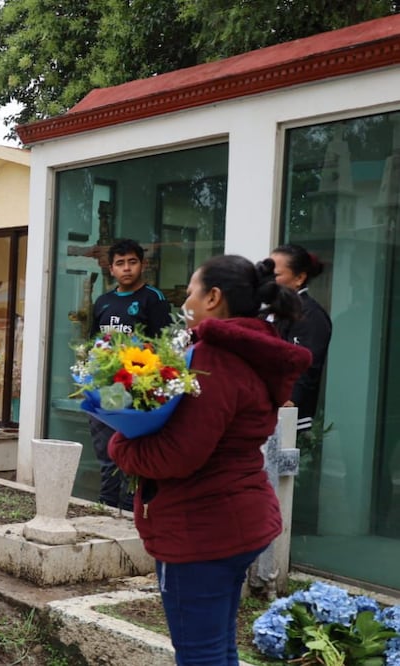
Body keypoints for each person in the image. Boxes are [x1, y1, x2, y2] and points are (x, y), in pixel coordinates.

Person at [109, 255, 311, 665]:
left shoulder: (214, 359)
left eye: (190, 295)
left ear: (213, 298)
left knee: (201, 655)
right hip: (235, 517)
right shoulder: (251, 352)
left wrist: (121, 447)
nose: (186, 304)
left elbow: (180, 454)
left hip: (202, 528)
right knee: (219, 647)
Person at [87, 239, 172, 508]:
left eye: (132, 262)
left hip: (139, 391)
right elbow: (93, 345)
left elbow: (165, 348)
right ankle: (107, 503)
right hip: (108, 389)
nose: (127, 269)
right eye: (120, 263)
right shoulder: (103, 302)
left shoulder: (153, 299)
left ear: (142, 265)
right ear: (111, 269)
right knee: (106, 448)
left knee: (132, 448)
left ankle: (130, 505)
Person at [270, 244, 332, 433]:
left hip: (288, 418)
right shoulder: (274, 309)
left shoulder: (311, 315)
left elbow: (306, 366)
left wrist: (289, 402)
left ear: (299, 278)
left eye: (276, 274)